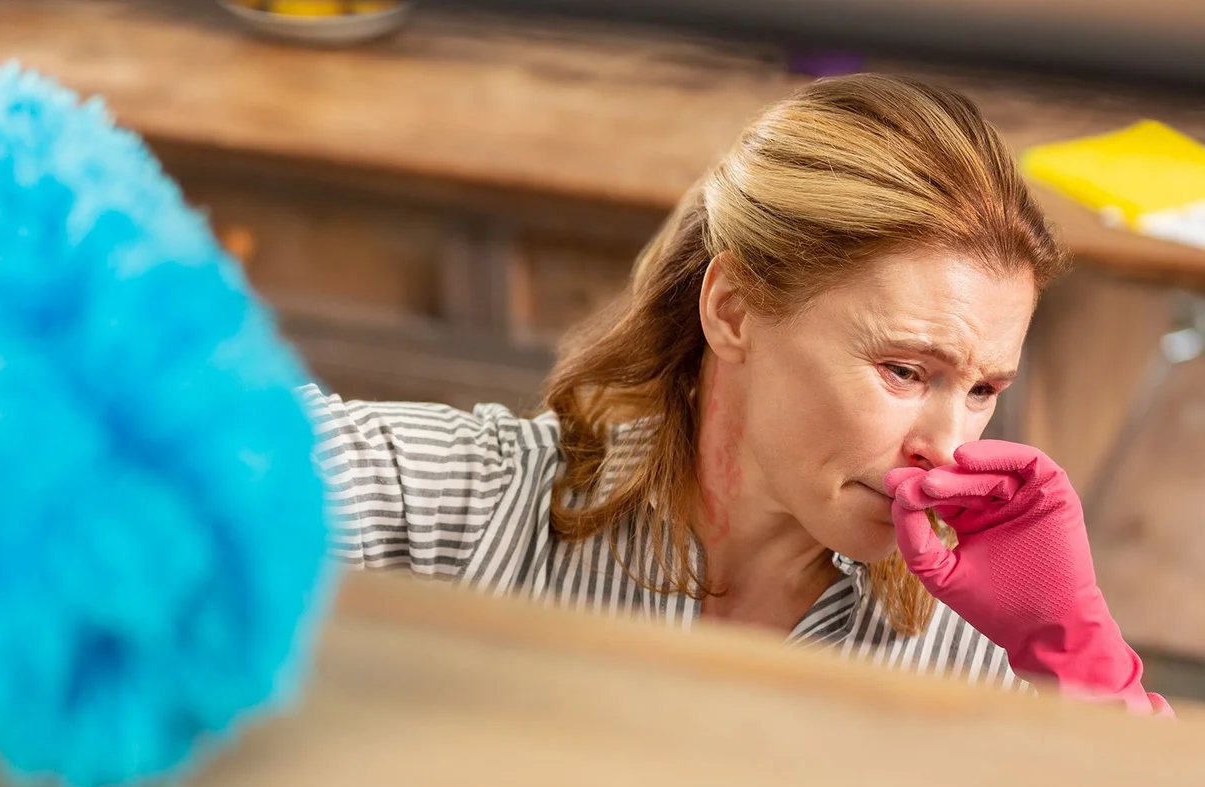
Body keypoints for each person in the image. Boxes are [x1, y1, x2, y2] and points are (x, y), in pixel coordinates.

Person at [303, 73, 1171, 715]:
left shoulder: (968, 653)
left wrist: (1082, 658)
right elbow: (185, 460)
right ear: (734, 310)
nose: (947, 448)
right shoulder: (479, 503)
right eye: (906, 371)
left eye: (983, 389)